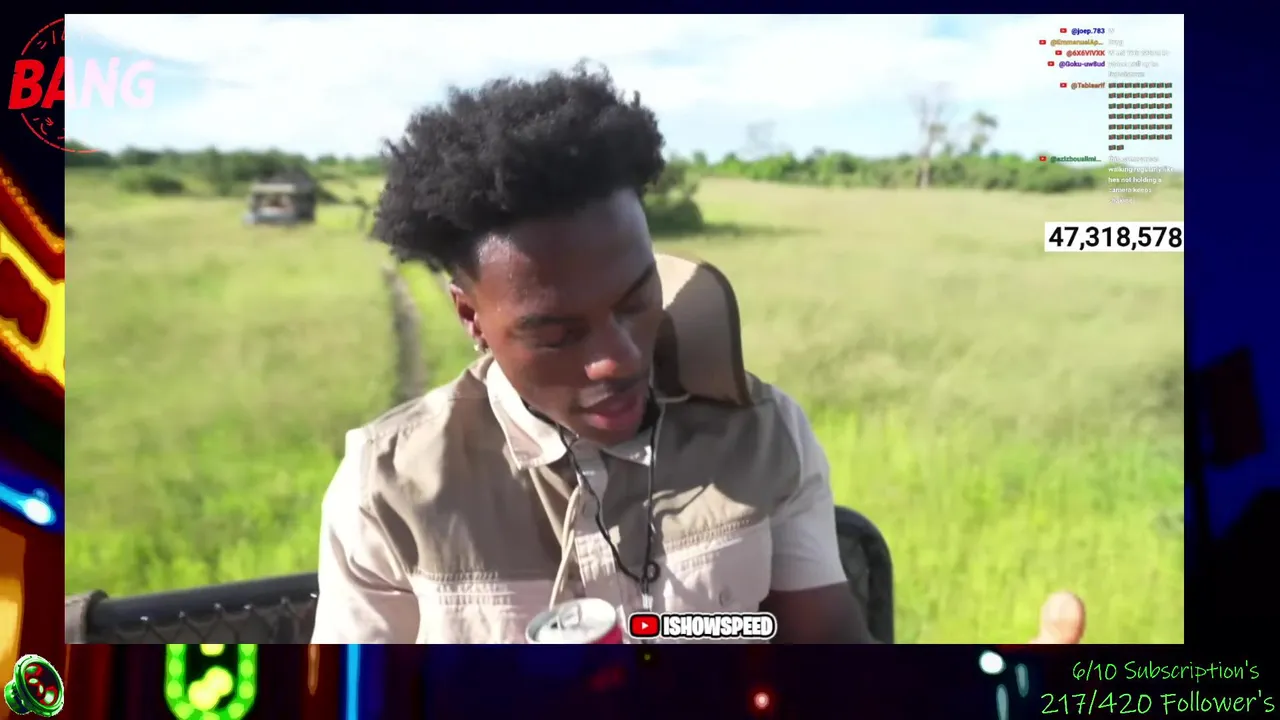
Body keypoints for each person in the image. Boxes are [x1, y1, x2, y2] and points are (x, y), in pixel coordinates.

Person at [311, 64, 1086, 645]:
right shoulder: (391, 488)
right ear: (471, 317)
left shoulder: (763, 433)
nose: (617, 359)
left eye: (635, 300)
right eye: (557, 333)